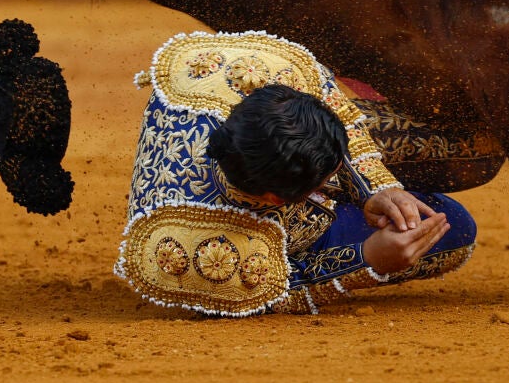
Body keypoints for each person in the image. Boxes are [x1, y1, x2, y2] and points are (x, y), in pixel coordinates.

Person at [113, 30, 477, 316]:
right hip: (280, 224)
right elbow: (278, 290)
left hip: (276, 178)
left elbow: (326, 96)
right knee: (456, 228)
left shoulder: (240, 71)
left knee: (472, 147)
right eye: (328, 181)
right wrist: (366, 259)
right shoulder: (191, 248)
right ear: (277, 200)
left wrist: (375, 187)